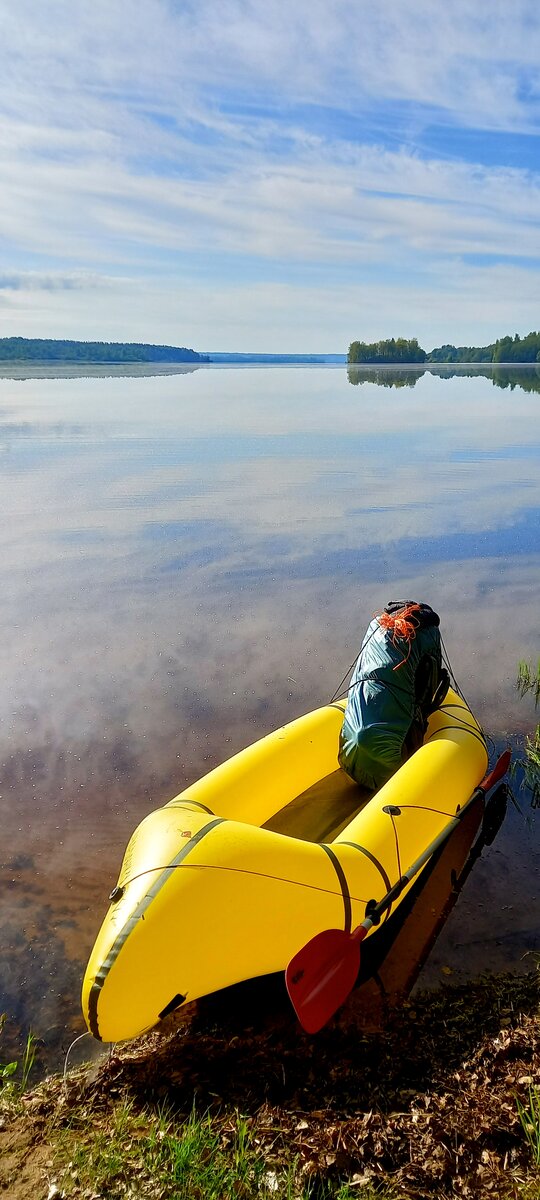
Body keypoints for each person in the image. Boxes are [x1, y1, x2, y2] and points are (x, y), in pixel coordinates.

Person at [338, 601, 449, 791]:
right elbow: (431, 684)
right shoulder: (426, 636)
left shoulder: (376, 627)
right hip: (390, 768)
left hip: (346, 757)